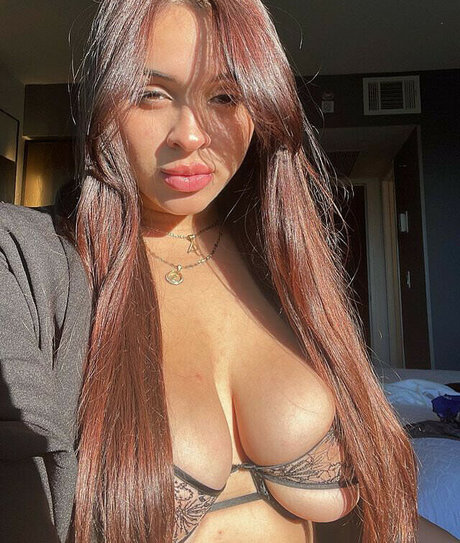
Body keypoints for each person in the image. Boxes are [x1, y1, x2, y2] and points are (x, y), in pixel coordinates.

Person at [0, 0, 423, 542]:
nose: (191, 135)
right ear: (103, 103)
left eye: (224, 96)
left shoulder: (282, 261)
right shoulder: (27, 265)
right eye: (151, 94)